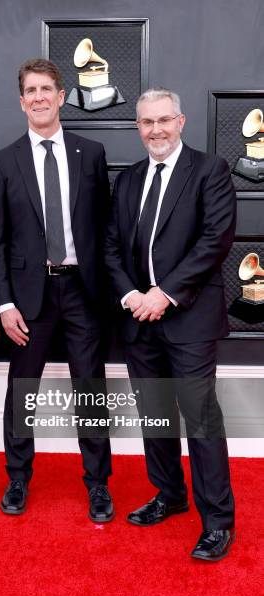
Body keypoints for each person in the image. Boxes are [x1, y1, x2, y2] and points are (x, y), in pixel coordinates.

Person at [104, 88, 236, 560]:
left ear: (180, 121)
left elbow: (215, 240)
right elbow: (112, 247)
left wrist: (165, 295)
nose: (155, 130)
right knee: (155, 415)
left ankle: (218, 520)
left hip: (190, 318)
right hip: (139, 319)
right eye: (146, 123)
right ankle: (170, 494)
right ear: (137, 127)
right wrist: (132, 296)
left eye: (163, 120)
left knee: (200, 419)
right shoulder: (129, 179)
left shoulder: (210, 170)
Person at [0, 58, 113, 521]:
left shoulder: (91, 153)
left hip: (83, 291)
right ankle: (18, 479)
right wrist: (3, 304)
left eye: (47, 89)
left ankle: (98, 484)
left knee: (91, 390)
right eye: (31, 90)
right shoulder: (3, 162)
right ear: (22, 102)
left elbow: (104, 230)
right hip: (27, 298)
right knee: (22, 391)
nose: (39, 97)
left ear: (62, 97)